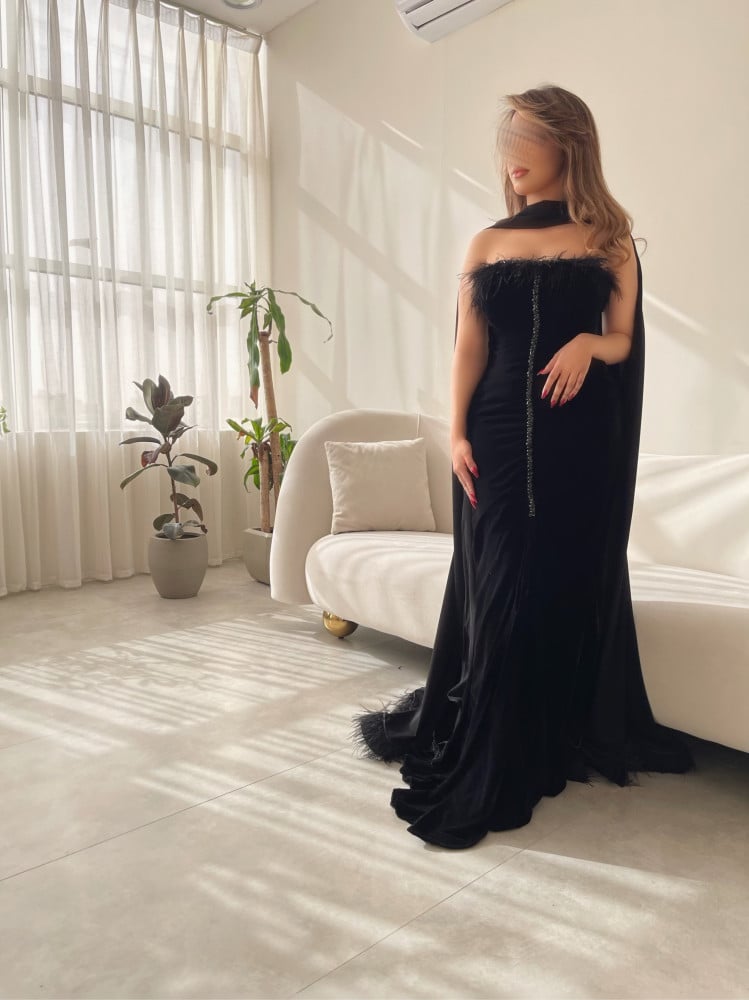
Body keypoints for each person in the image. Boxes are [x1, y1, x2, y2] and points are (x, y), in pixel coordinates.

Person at [349, 84, 697, 850]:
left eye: (524, 137)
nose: (509, 155)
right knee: (502, 578)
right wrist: (456, 432)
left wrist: (588, 344)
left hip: (581, 439)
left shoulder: (610, 238)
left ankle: (552, 724)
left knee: (561, 578)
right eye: (505, 139)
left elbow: (622, 340)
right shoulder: (485, 241)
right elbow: (468, 346)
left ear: (567, 142)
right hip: (498, 431)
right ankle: (495, 737)